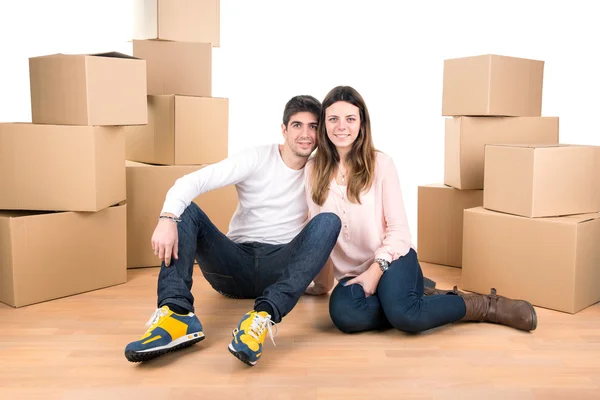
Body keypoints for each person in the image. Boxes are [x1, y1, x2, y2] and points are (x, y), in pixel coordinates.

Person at [124, 95, 342, 366]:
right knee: (186, 210)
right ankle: (177, 315)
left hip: (279, 266)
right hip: (233, 264)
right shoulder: (256, 157)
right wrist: (167, 218)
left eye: (313, 127)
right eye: (297, 125)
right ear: (284, 130)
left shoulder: (321, 169)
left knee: (330, 220)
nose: (306, 134)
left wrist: (320, 281)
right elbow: (194, 181)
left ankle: (261, 317)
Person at [304, 85, 537, 334]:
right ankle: (414, 297)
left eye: (350, 119)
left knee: (406, 317)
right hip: (353, 275)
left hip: (393, 259)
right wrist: (320, 284)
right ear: (324, 124)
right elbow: (318, 234)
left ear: (362, 124)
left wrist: (375, 272)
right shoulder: (313, 170)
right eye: (333, 119)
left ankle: (484, 305)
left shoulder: (381, 164)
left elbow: (399, 232)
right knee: (344, 315)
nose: (342, 126)